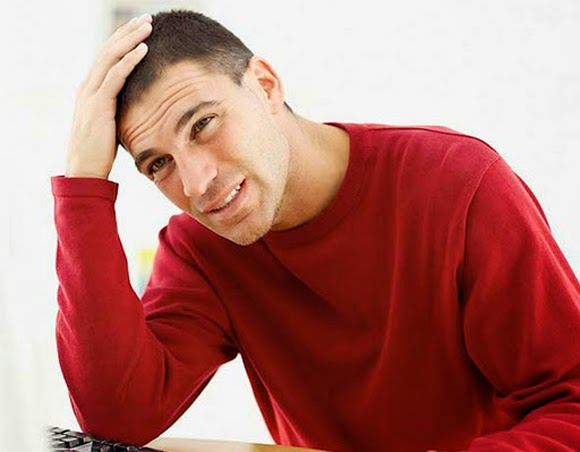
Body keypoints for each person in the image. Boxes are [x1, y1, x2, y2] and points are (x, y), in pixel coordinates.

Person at [52, 9, 580, 452]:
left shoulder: (457, 183)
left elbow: (571, 401)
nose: (196, 183)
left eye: (204, 124)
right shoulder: (201, 249)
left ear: (265, 86)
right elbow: (116, 417)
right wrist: (82, 184)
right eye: (158, 164)